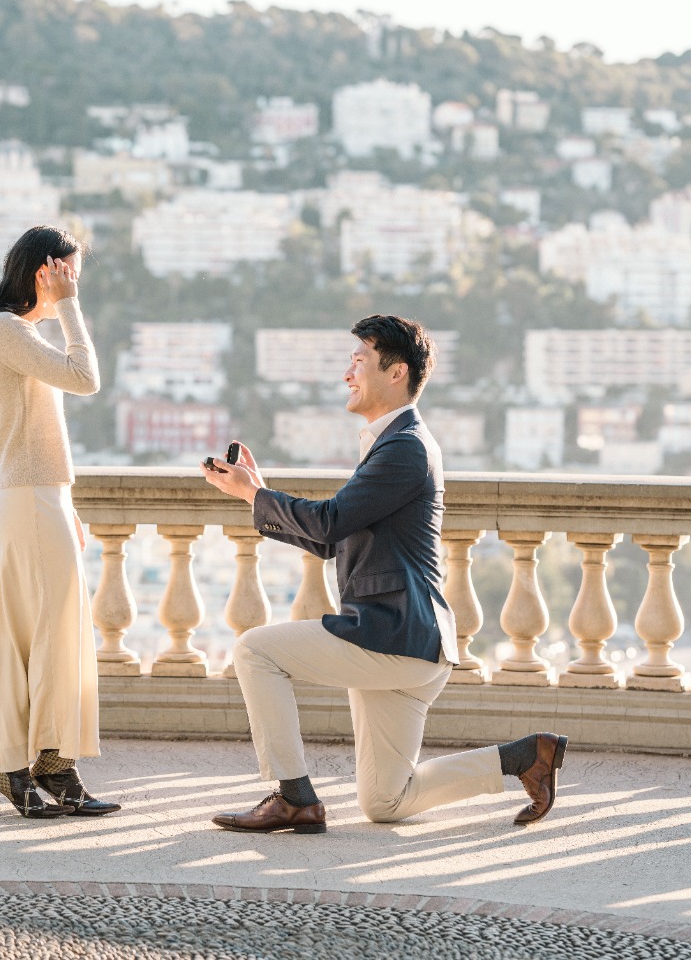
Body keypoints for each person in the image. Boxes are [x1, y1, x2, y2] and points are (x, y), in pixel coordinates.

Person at [201, 314, 567, 834]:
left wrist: (253, 495)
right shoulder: (394, 443)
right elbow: (332, 537)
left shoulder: (405, 448)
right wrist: (258, 492)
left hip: (394, 634)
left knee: (254, 650)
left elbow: (329, 522)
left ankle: (293, 796)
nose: (348, 374)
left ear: (397, 373)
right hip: (412, 644)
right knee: (386, 801)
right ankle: (526, 757)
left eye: (359, 361)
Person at [0, 225, 119, 820]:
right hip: (27, 499)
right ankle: (24, 762)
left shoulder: (16, 332)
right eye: (70, 273)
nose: (74, 284)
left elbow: (36, 433)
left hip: (39, 498)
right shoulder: (5, 330)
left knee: (54, 635)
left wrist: (66, 503)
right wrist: (73, 306)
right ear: (45, 270)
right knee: (41, 636)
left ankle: (48, 761)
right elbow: (86, 378)